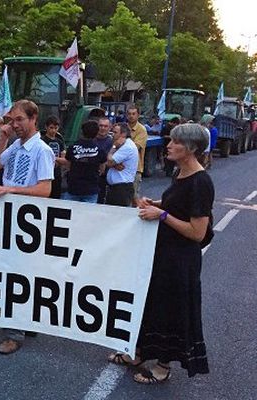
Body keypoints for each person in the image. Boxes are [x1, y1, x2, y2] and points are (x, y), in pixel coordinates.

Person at [108, 123, 214, 384]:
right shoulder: (181, 172)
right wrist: (155, 204)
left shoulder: (201, 181)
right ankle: (138, 354)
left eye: (175, 142)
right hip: (163, 252)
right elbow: (176, 204)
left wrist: (162, 215)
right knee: (151, 303)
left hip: (181, 260)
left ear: (190, 149)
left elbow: (197, 232)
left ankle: (163, 367)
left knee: (171, 309)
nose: (168, 145)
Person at [0, 100, 55, 354]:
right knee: (10, 270)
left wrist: (12, 189)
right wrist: (2, 139)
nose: (14, 125)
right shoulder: (15, 144)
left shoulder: (42, 150)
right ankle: (25, 321)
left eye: (19, 120)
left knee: (18, 274)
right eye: (11, 120)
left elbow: (45, 189)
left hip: (28, 221)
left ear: (33, 118)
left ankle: (15, 332)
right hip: (9, 218)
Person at [62, 120, 107, 203]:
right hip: (91, 189)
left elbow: (67, 166)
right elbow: (102, 169)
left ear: (82, 132)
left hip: (73, 188)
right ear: (96, 133)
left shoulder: (72, 147)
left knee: (69, 213)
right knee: (88, 215)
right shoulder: (100, 150)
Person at [105, 123, 138, 206]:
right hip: (116, 187)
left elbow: (109, 161)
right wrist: (115, 165)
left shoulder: (127, 147)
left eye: (115, 132)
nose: (112, 134)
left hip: (122, 188)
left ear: (123, 134)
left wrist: (114, 147)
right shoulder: (122, 145)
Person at [41, 115, 66, 199]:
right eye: (51, 128)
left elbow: (64, 159)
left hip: (56, 174)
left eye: (56, 128)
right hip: (44, 174)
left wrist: (55, 159)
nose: (53, 130)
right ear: (46, 127)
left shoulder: (60, 141)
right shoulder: (42, 141)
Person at [127, 106, 148, 204]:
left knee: (134, 196)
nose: (131, 116)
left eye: (133, 114)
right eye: (129, 114)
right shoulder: (122, 127)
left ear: (138, 115)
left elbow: (134, 148)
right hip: (121, 168)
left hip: (135, 168)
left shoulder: (141, 130)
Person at [95, 117, 113, 203]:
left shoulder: (112, 142)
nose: (103, 128)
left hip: (105, 178)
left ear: (109, 128)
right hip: (92, 177)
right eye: (101, 126)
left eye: (105, 126)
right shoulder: (91, 140)